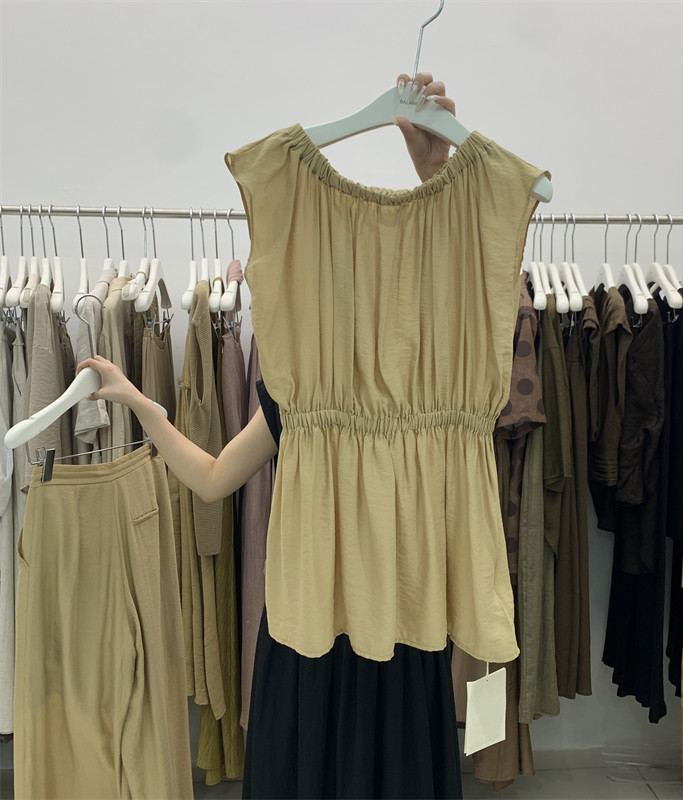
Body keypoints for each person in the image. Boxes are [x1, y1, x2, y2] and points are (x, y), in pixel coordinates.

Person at [78, 73, 466, 800]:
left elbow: (466, 288)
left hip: (398, 623)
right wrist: (140, 402)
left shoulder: (428, 394)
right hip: (310, 626)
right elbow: (214, 478)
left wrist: (433, 174)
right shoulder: (302, 398)